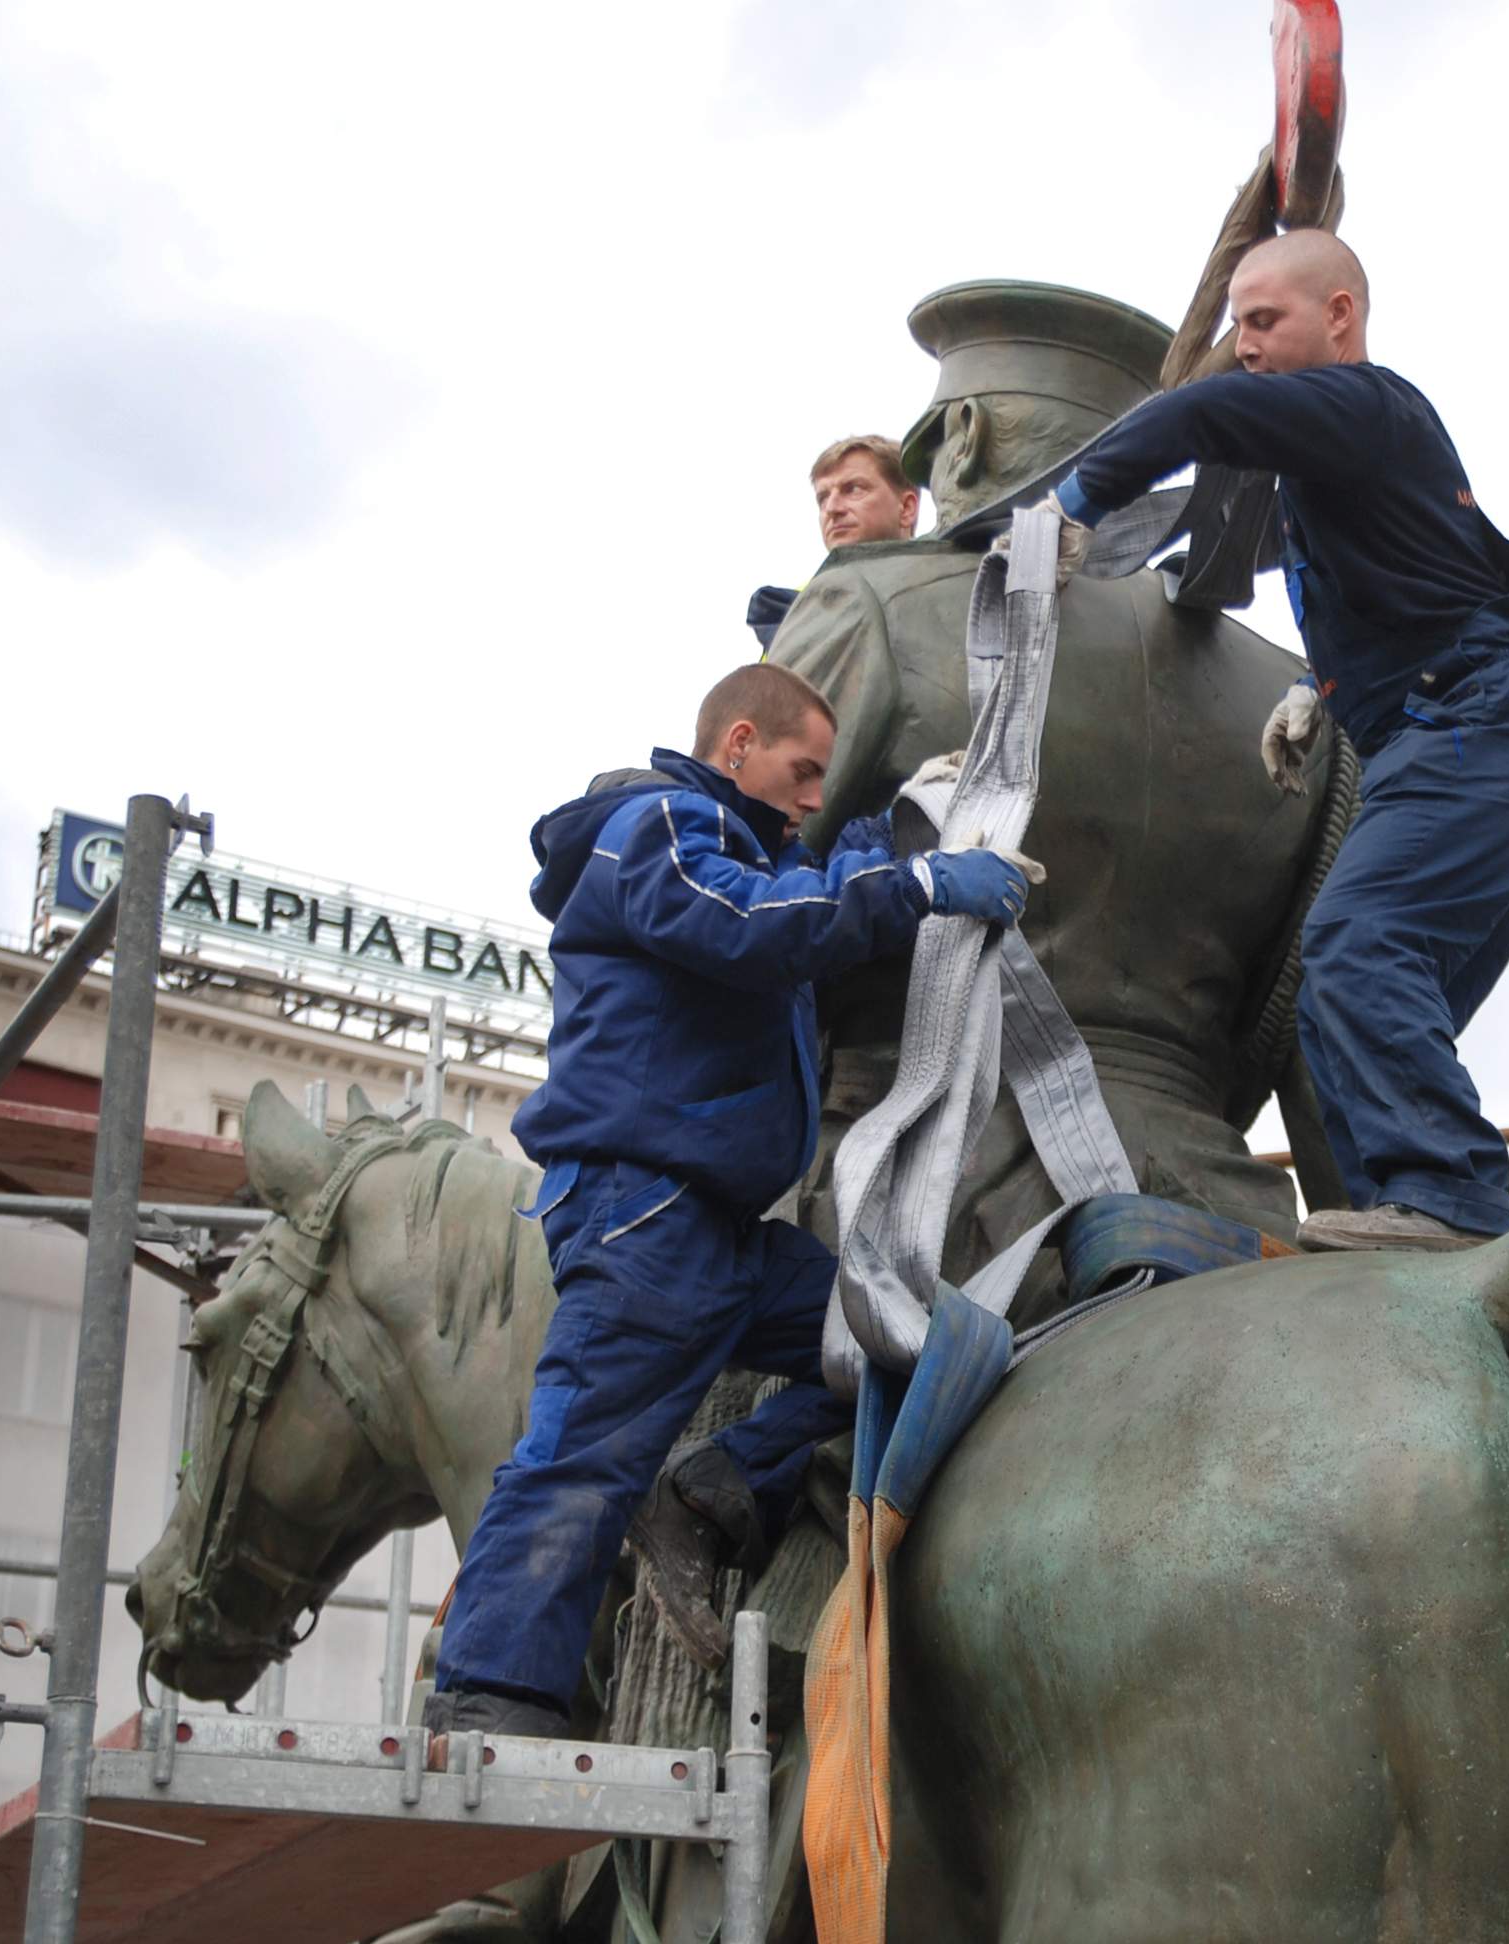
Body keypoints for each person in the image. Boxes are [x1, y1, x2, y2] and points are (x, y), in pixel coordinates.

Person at [426, 664, 1029, 1739]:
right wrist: (921, 885)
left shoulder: (741, 852)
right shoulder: (650, 827)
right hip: (647, 1213)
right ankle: (489, 1703)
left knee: (906, 1344)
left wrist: (895, 833)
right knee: (584, 1453)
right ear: (738, 740)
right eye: (803, 771)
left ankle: (709, 1492)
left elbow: (791, 892)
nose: (810, 794)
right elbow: (750, 924)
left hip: (722, 1236)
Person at [769, 280, 1328, 1300]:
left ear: (966, 435)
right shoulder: (1287, 689)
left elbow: (750, 908)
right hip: (1218, 1213)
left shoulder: (871, 604)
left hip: (908, 1210)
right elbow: (1307, 1023)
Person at [1047, 231, 1509, 1253]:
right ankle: (1389, 1217)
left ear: (1338, 315)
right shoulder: (1334, 467)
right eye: (1238, 325)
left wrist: (1074, 501)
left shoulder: (1366, 406)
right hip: (1451, 731)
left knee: (1358, 942)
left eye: (1264, 321)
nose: (1244, 346)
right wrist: (1318, 687)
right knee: (1348, 1004)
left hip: (1484, 725)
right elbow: (1419, 581)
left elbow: (1204, 410)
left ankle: (1447, 1203)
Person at [747, 436, 927, 650]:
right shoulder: (787, 614)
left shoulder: (951, 589)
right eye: (822, 498)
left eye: (853, 489)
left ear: (906, 508)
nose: (832, 508)